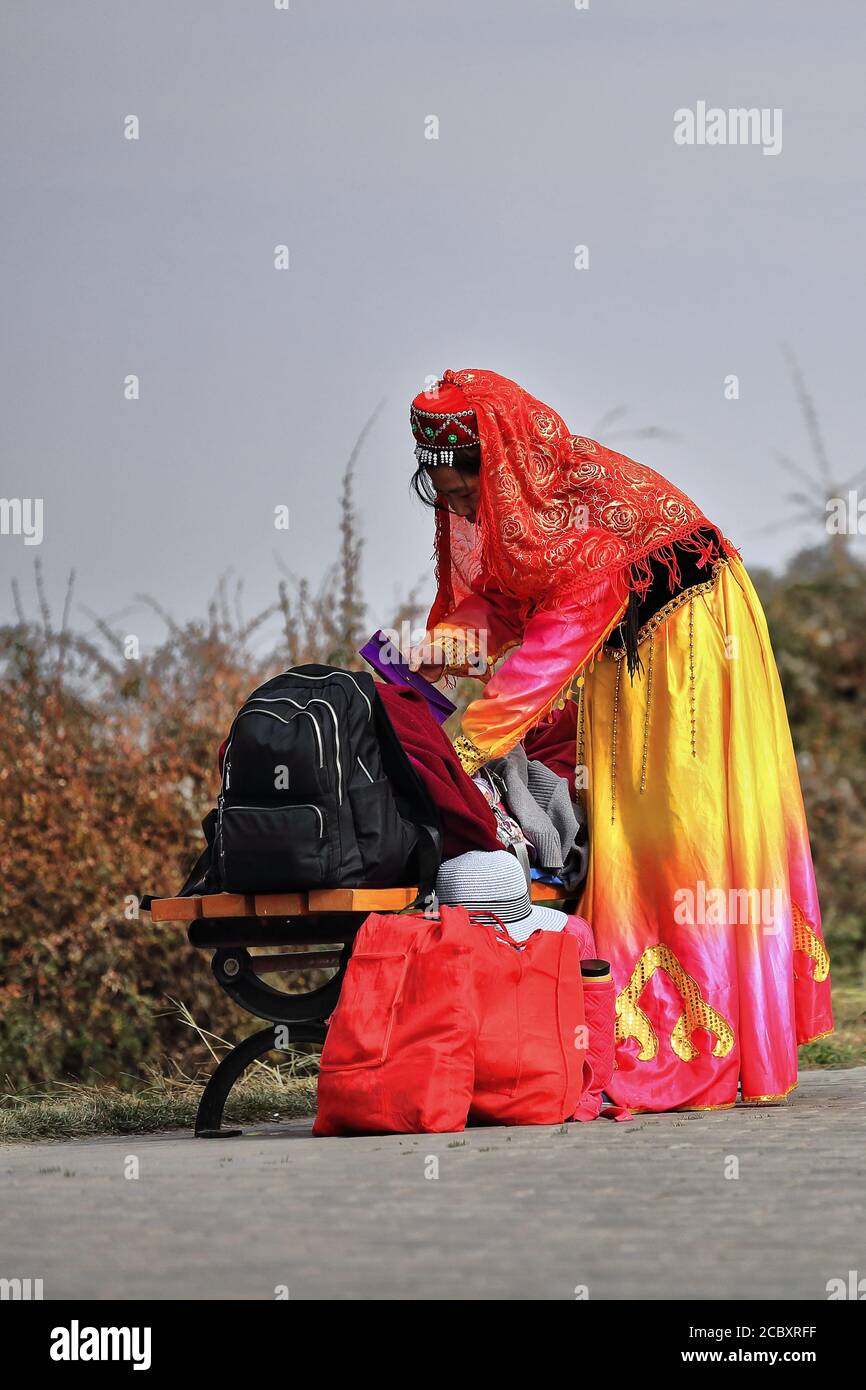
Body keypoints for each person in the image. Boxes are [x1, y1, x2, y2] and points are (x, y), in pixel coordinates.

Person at [408, 367, 832, 1113]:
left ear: (499, 475)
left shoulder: (579, 529)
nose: (464, 509)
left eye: (468, 493)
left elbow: (538, 663)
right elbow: (497, 616)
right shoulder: (534, 507)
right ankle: (709, 1033)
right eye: (449, 499)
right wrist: (398, 679)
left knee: (672, 833)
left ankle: (683, 1041)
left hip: (690, 652)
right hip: (642, 650)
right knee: (637, 826)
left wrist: (449, 755)